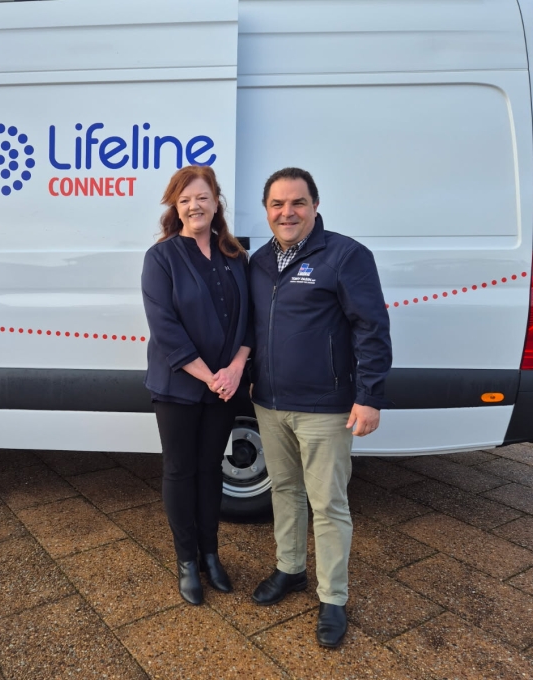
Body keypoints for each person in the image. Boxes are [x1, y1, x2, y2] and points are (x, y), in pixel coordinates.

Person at [249, 167, 392, 647]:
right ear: (266, 209)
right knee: (284, 492)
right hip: (269, 404)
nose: (286, 212)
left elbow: (372, 328)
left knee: (328, 504)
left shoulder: (345, 255)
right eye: (277, 204)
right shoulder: (259, 262)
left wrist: (368, 396)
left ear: (314, 205)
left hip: (325, 408)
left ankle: (333, 598)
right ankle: (289, 570)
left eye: (297, 203)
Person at [141, 165, 252, 605]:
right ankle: (186, 561)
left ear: (216, 200)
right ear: (176, 206)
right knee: (180, 470)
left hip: (226, 385)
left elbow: (252, 319)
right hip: (179, 386)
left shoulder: (235, 255)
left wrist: (237, 367)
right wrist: (211, 376)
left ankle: (211, 554)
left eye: (202, 197)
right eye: (185, 199)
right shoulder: (162, 257)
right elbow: (164, 327)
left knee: (211, 471)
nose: (194, 206)